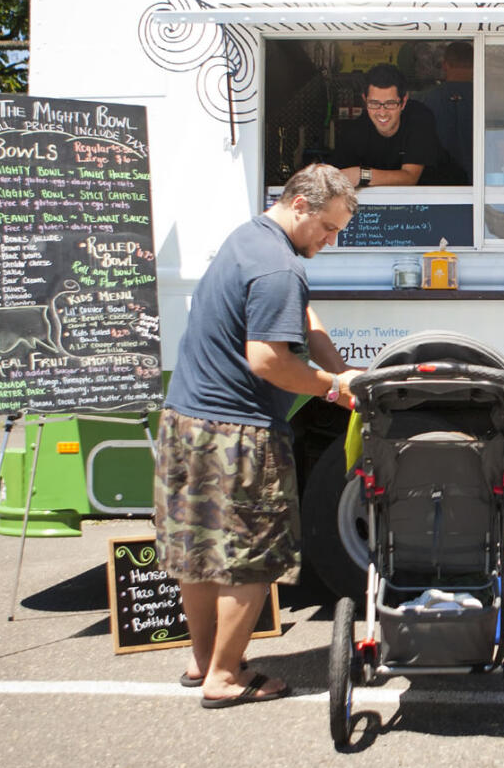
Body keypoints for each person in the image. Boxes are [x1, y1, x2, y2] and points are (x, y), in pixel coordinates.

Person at [153, 163, 364, 708]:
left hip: (185, 420)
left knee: (199, 550)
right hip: (237, 434)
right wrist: (335, 391)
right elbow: (270, 361)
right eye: (329, 228)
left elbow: (303, 316)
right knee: (251, 557)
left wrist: (342, 369)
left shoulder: (251, 240)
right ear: (301, 205)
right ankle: (226, 678)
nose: (331, 239)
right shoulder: (279, 269)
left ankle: (204, 662)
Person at [327, 63, 442, 187]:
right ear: (365, 101)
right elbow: (334, 177)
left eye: (390, 103)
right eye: (374, 103)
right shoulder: (355, 131)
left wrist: (361, 175)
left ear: (403, 102)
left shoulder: (419, 118)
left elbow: (410, 177)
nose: (382, 113)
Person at [418, 40, 474, 184]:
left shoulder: (427, 99)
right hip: (480, 179)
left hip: (439, 182)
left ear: (445, 65)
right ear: (476, 64)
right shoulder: (486, 98)